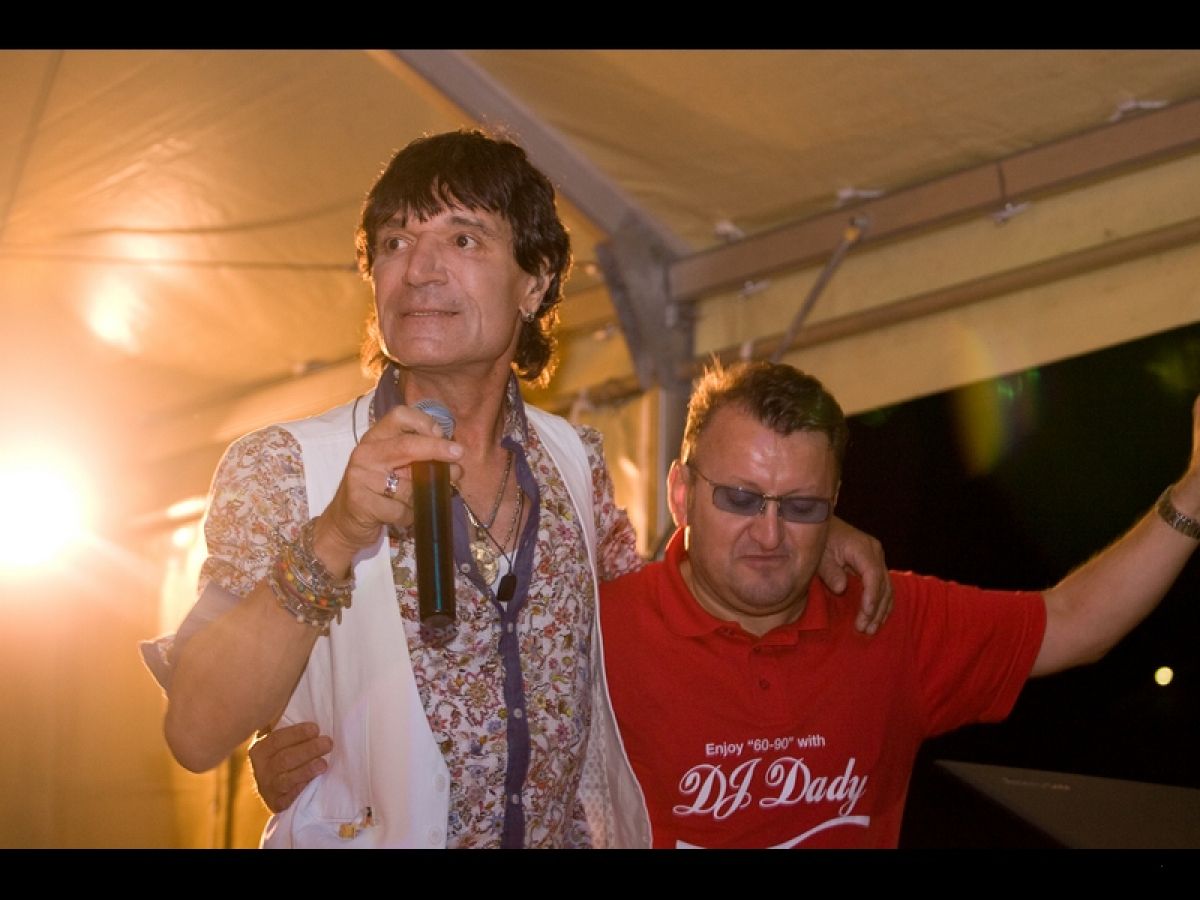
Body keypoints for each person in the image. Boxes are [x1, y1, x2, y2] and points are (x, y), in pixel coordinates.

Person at [143, 130, 893, 849]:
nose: (420, 268)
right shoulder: (283, 466)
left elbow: (661, 619)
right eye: (396, 242)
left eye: (463, 239)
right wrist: (335, 534)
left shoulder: (575, 460)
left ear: (534, 282)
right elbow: (196, 734)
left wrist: (797, 522)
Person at [250, 359, 1200, 849]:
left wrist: (1194, 494)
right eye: (740, 498)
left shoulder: (885, 618)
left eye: (801, 508)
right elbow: (448, 727)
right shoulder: (594, 625)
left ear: (836, 506)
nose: (769, 534)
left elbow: (1074, 623)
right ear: (680, 492)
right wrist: (319, 765)